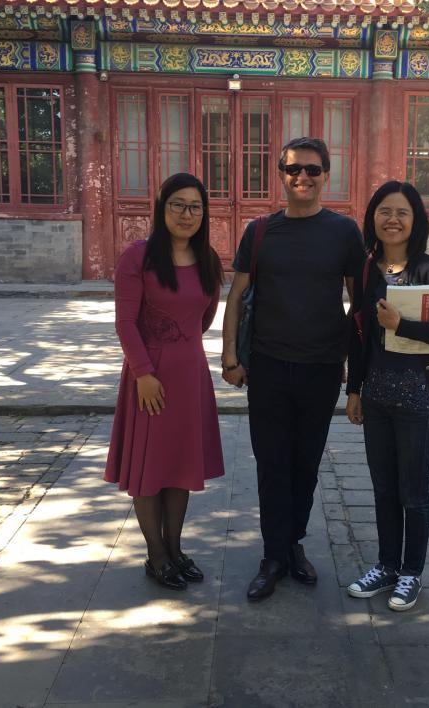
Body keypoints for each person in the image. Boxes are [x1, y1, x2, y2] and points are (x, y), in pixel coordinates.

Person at [222, 137, 365, 601]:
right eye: (292, 169)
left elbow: (358, 300)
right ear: (279, 174)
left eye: (312, 169)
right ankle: (273, 554)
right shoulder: (260, 231)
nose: (302, 177)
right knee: (271, 463)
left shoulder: (344, 232)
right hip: (266, 367)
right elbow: (237, 297)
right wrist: (229, 356)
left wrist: (343, 350)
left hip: (321, 369)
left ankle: (294, 544)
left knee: (305, 464)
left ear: (326, 175)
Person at [344, 181, 429, 611]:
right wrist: (353, 389)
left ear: (416, 222)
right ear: (372, 218)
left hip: (419, 398)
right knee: (382, 489)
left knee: (412, 491)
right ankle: (386, 566)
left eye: (402, 213)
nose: (392, 220)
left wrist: (402, 325)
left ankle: (411, 572)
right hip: (376, 397)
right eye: (384, 212)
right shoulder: (364, 270)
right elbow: (358, 336)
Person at [104, 173, 226, 591]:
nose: (186, 214)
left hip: (190, 376)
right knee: (150, 468)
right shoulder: (138, 257)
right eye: (177, 204)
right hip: (149, 379)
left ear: (203, 213)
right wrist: (143, 373)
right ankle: (155, 555)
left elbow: (205, 318)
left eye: (195, 206)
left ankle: (175, 548)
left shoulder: (207, 258)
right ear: (162, 207)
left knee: (180, 465)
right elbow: (124, 322)